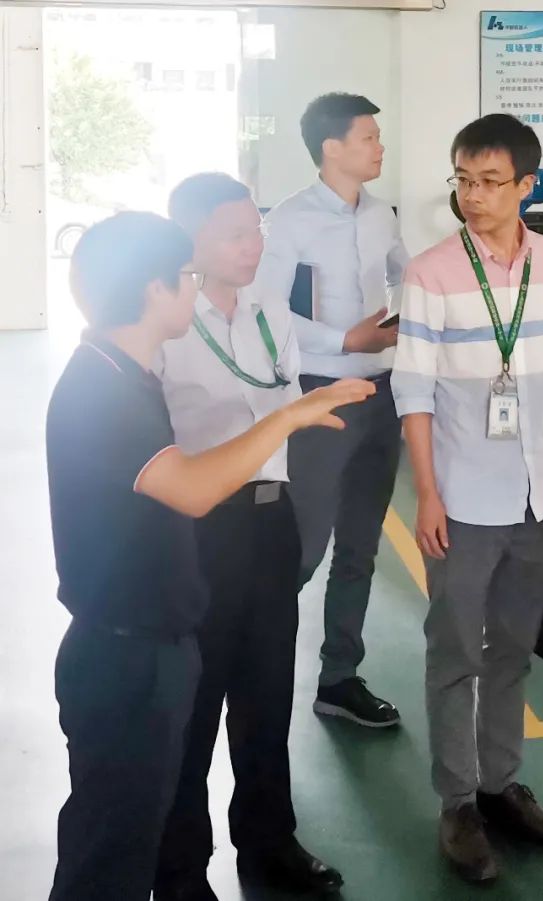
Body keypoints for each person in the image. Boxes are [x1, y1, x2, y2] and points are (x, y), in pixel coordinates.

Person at [46, 212, 374, 901]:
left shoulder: (123, 373)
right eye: (186, 275)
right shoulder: (103, 389)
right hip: (125, 651)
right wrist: (288, 416)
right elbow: (192, 489)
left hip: (152, 635)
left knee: (125, 830)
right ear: (153, 289)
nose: (194, 288)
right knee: (109, 848)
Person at [391, 113, 543, 885]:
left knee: (512, 649)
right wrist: (427, 493)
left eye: (491, 182)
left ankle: (502, 785)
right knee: (455, 653)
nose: (473, 196)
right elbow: (412, 392)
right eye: (464, 180)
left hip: (539, 491)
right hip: (465, 495)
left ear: (526, 186)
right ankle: (458, 802)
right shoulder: (432, 272)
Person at [152, 173, 342, 900]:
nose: (253, 245)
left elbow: (283, 406)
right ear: (191, 240)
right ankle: (180, 870)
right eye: (235, 234)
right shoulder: (168, 324)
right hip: (199, 529)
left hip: (270, 521)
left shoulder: (270, 309)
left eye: (256, 229)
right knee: (194, 705)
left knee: (266, 695)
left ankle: (268, 842)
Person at [254, 92, 407, 729]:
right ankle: (252, 667)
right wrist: (345, 340)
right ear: (332, 148)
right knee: (305, 547)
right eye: (369, 137)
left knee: (360, 550)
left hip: (382, 395)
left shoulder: (382, 215)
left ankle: (339, 679)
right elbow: (265, 311)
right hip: (319, 397)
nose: (379, 147)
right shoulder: (290, 221)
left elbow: (408, 277)